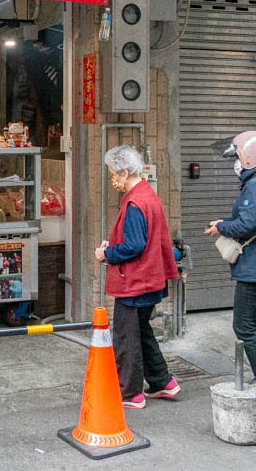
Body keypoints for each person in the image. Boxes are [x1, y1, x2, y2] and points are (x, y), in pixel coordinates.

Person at [204, 130, 256, 414]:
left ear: (251, 157)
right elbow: (251, 219)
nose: (235, 164)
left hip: (254, 267)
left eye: (237, 157)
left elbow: (247, 224)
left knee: (243, 326)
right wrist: (226, 222)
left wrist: (222, 227)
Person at [95, 145, 180, 409]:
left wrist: (107, 252)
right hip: (151, 279)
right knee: (142, 332)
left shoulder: (133, 203)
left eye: (113, 173)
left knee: (125, 337)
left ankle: (131, 393)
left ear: (123, 171)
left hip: (135, 282)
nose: (112, 179)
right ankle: (162, 381)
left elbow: (134, 245)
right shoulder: (148, 195)